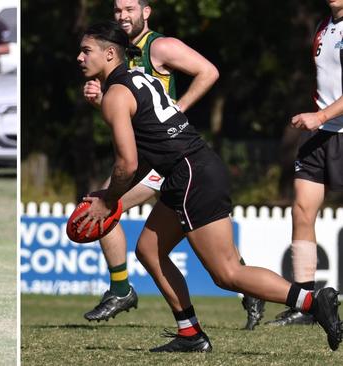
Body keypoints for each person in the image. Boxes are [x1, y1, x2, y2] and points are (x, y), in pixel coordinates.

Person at [75, 20, 342, 352]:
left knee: (226, 273)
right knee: (148, 250)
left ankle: (312, 301)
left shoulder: (115, 94)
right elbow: (146, 154)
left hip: (190, 174)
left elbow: (126, 163)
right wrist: (110, 196)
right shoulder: (140, 79)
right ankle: (190, 334)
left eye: (87, 51)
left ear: (110, 53)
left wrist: (108, 200)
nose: (79, 58)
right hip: (190, 169)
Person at [81, 0, 265, 331]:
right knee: (113, 211)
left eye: (130, 9)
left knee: (103, 206)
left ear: (145, 12)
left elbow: (209, 72)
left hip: (167, 157)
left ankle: (123, 289)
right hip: (147, 154)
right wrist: (99, 102)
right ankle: (239, 292)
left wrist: (179, 107)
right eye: (118, 10)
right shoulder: (116, 55)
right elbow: (127, 114)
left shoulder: (161, 46)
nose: (123, 16)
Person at [268, 0, 343, 326]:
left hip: (333, 126)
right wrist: (320, 118)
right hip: (319, 134)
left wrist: (322, 115)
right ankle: (305, 302)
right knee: (301, 210)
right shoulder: (323, 27)